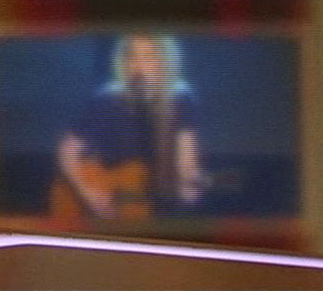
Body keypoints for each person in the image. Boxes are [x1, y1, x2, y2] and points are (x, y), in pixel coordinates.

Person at [54, 34, 209, 220]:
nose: (138, 65)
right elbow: (67, 152)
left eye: (148, 57)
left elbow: (186, 162)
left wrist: (189, 186)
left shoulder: (181, 98)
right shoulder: (107, 98)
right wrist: (89, 193)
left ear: (165, 62)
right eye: (132, 56)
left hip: (145, 202)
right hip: (90, 196)